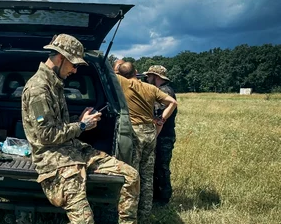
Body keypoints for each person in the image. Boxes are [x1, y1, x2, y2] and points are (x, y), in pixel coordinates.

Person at [21, 34, 140, 224]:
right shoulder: (38, 89)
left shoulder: (55, 84)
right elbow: (46, 136)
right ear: (61, 58)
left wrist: (81, 119)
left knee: (131, 176)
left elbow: (57, 125)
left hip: (73, 150)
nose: (75, 70)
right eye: (74, 65)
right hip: (55, 159)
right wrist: (82, 125)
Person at [116, 62, 177, 221]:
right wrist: (162, 119)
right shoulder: (151, 88)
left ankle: (131, 214)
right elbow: (173, 102)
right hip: (150, 133)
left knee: (132, 175)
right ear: (136, 72)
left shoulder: (122, 82)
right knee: (147, 175)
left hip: (135, 133)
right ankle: (145, 214)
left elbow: (111, 74)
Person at [143, 65, 178, 206]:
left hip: (163, 136)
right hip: (162, 135)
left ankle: (163, 198)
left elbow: (159, 117)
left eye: (149, 76)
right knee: (158, 165)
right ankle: (159, 195)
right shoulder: (164, 90)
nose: (147, 78)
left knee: (161, 166)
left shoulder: (164, 92)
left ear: (156, 77)